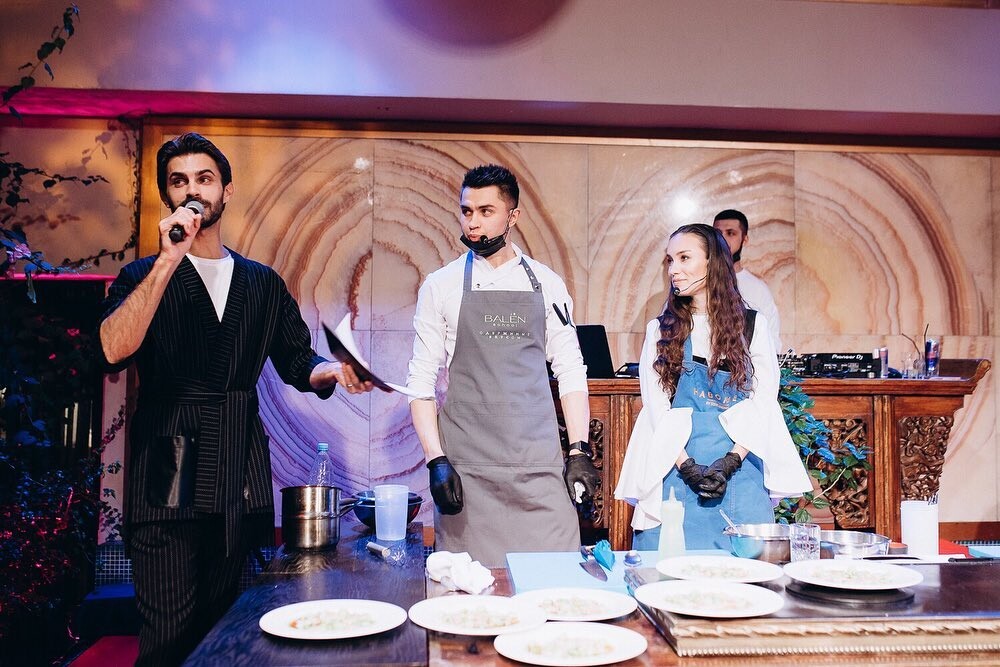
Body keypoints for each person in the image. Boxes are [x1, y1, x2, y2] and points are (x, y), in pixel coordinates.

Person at [98, 133, 373, 666]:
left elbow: (297, 361)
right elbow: (111, 350)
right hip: (167, 474)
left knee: (230, 634)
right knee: (169, 637)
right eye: (179, 181)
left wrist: (336, 372)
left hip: (238, 473)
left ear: (226, 190)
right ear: (167, 196)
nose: (192, 190)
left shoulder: (261, 283)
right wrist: (167, 260)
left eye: (204, 179)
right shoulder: (141, 276)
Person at [406, 164, 601, 567]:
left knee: (553, 580)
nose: (473, 222)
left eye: (486, 211)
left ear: (513, 216)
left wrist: (579, 450)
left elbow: (571, 371)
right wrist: (435, 460)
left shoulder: (548, 284)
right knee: (469, 591)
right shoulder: (440, 286)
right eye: (467, 211)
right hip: (467, 470)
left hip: (538, 467)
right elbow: (420, 383)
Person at [614, 224, 809, 550]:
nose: (673, 269)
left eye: (684, 258)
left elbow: (763, 402)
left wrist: (731, 461)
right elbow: (657, 408)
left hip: (740, 472)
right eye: (670, 260)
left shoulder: (752, 326)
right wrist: (687, 466)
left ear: (712, 262)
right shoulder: (660, 330)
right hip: (674, 469)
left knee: (744, 571)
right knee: (667, 569)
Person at [713, 209, 783, 352]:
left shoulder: (758, 290)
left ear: (745, 239)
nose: (722, 239)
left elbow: (772, 344)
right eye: (718, 233)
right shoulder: (697, 283)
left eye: (730, 233)